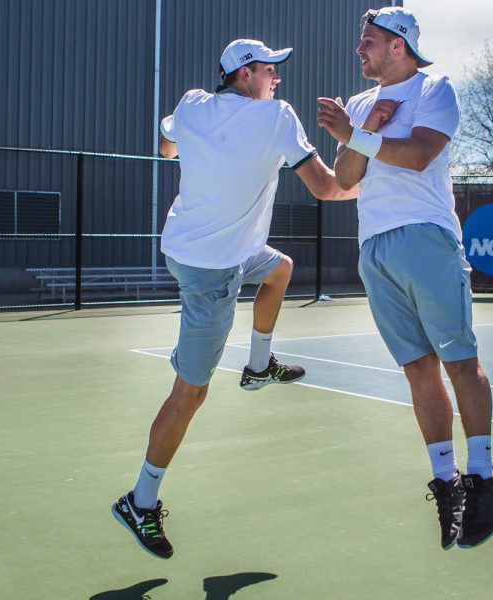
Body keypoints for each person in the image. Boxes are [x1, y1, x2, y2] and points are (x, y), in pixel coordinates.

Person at [112, 39, 359, 559]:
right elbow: (328, 189)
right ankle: (140, 499)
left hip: (191, 246)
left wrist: (187, 147)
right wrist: (370, 166)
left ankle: (257, 365)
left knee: (281, 269)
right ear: (245, 75)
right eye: (270, 70)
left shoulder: (192, 104)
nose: (277, 78)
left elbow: (166, 143)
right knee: (190, 394)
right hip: (210, 271)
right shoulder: (276, 118)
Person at [316, 7, 493, 550]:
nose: (361, 51)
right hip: (374, 247)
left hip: (426, 236)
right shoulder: (360, 104)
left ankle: (484, 476)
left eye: (369, 42)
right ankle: (447, 483)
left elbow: (422, 154)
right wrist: (359, 131)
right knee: (418, 371)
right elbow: (344, 178)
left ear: (399, 45)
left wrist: (360, 134)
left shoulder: (434, 87)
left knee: (459, 362)